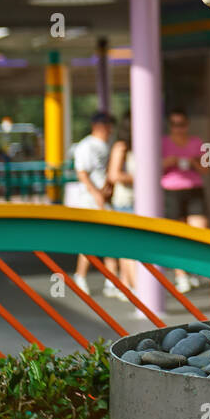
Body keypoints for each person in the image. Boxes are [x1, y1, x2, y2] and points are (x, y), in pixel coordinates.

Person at [161, 108, 209, 293]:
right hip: (171, 191)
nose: (177, 129)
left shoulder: (197, 142)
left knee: (199, 231)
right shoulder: (162, 142)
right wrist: (169, 161)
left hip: (194, 189)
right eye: (173, 125)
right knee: (177, 235)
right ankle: (181, 275)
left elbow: (207, 168)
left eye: (181, 125)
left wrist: (192, 162)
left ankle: (194, 269)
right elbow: (151, 166)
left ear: (187, 125)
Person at [72, 110, 115, 292]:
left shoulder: (106, 144)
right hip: (90, 199)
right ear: (99, 126)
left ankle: (112, 281)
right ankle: (80, 276)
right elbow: (82, 172)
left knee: (110, 238)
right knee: (92, 239)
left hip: (103, 197)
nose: (110, 129)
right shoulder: (86, 146)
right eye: (107, 125)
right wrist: (96, 193)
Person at [105, 120, 137, 301]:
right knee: (130, 250)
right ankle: (136, 289)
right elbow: (114, 175)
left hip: (139, 203)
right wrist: (138, 178)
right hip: (125, 202)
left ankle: (126, 286)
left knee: (131, 248)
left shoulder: (144, 145)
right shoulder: (121, 147)